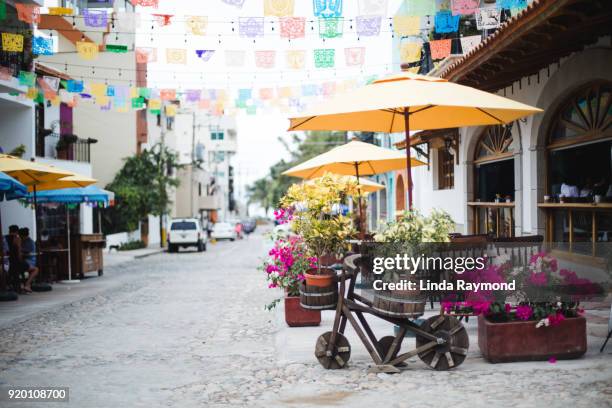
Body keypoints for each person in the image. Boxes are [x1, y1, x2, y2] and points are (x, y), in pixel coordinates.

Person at [18, 228, 39, 293]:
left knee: (35, 269)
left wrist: (19, 247)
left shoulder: (29, 241)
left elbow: (26, 251)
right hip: (25, 261)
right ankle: (27, 285)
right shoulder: (23, 241)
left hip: (30, 261)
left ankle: (27, 284)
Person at [5, 225, 23, 293]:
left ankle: (9, 285)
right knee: (22, 267)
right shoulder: (17, 238)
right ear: (17, 231)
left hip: (7, 261)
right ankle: (18, 287)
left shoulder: (5, 238)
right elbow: (19, 251)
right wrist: (20, 259)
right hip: (14, 261)